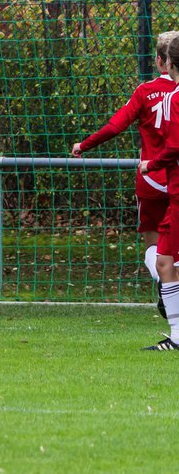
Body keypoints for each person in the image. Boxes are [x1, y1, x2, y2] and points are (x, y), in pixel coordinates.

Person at [73, 30, 178, 301]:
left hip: (152, 179)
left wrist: (83, 146)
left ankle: (168, 291)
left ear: (159, 60)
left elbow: (115, 126)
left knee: (154, 250)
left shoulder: (146, 92)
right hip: (175, 177)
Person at [134, 33, 179, 350]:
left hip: (169, 187)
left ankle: (177, 337)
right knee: (167, 261)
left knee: (164, 262)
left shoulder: (174, 97)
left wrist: (152, 164)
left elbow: (175, 147)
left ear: (167, 61)